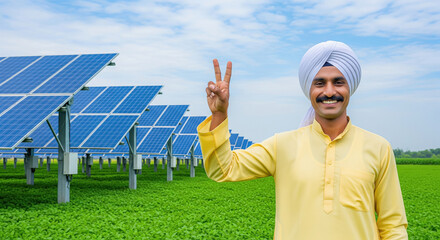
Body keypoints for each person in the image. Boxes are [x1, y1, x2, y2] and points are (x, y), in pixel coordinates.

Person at [197, 41, 408, 239]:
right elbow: (222, 169)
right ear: (309, 89)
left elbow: (393, 225)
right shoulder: (282, 146)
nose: (329, 91)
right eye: (319, 83)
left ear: (349, 87)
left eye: (338, 82)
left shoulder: (379, 148)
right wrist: (219, 115)